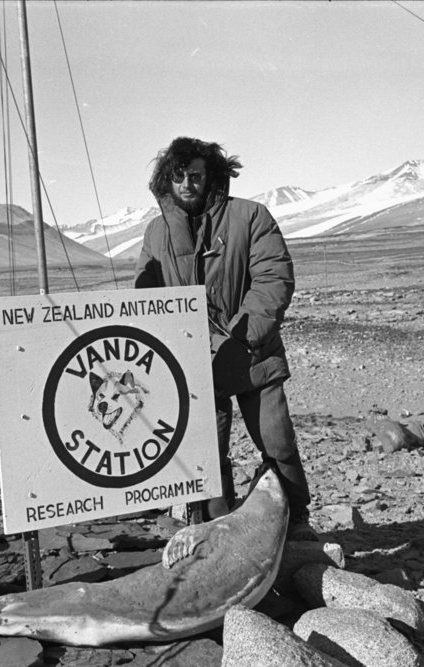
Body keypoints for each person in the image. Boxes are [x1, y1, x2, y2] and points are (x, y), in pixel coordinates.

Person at [135, 136, 317, 542]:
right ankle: (219, 532)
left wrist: (242, 337)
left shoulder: (250, 217)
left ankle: (294, 523)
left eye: (195, 176)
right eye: (178, 176)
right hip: (192, 364)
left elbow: (273, 280)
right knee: (207, 455)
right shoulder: (156, 232)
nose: (187, 184)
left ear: (212, 176)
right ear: (167, 179)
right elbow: (146, 298)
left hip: (251, 354)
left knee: (277, 442)